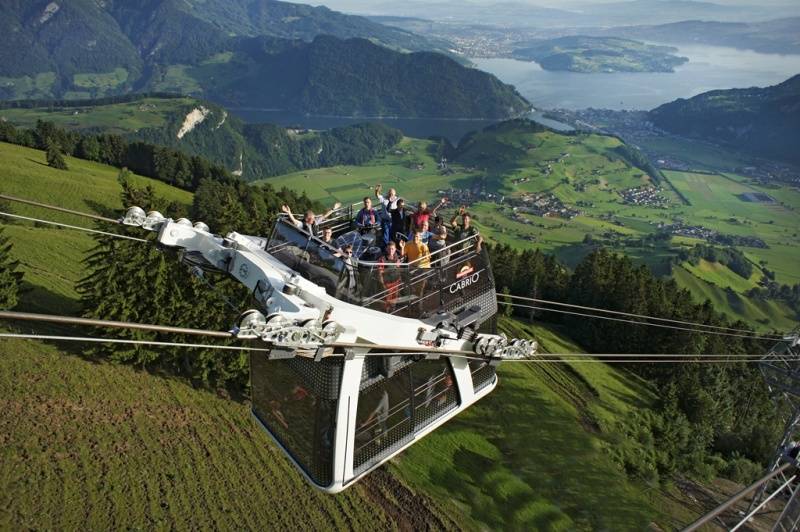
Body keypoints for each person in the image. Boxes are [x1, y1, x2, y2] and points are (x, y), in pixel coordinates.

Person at [378, 241, 403, 312]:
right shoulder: (382, 259)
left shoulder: (396, 257)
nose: (390, 250)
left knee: (394, 298)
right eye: (389, 249)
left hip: (396, 282)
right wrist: (382, 284)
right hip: (387, 284)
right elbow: (380, 273)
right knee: (387, 300)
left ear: (395, 249)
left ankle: (393, 311)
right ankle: (386, 313)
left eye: (392, 249)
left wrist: (400, 278)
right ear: (386, 249)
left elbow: (398, 268)